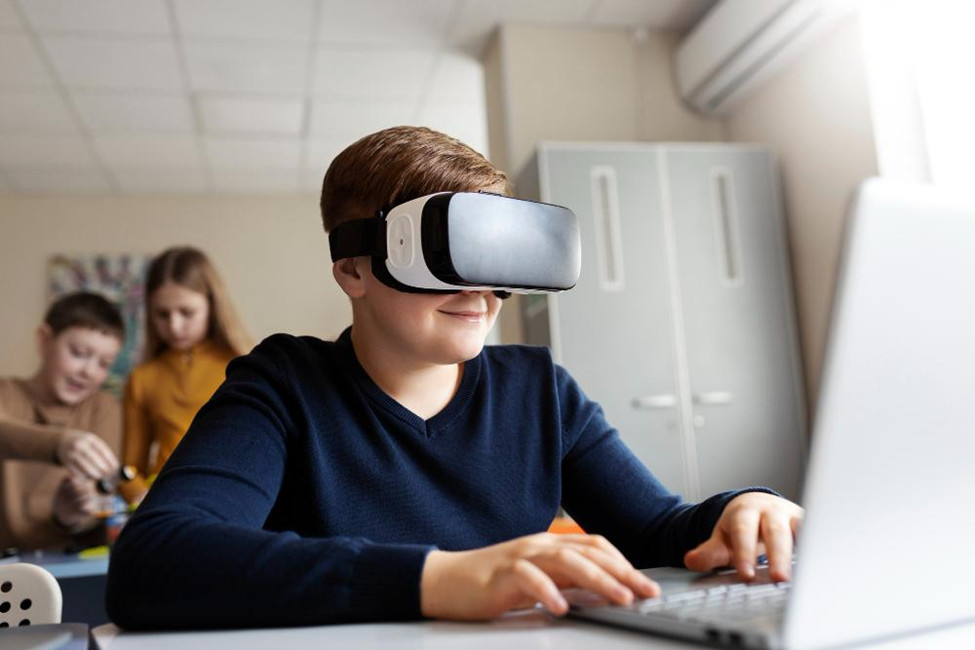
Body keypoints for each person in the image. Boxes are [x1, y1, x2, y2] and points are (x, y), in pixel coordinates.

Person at [106, 126, 803, 629]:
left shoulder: (537, 390)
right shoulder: (283, 386)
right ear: (353, 269)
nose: (478, 288)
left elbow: (657, 530)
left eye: (492, 250)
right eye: (441, 251)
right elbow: (155, 561)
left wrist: (739, 510)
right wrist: (437, 577)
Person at [121, 247, 250, 502]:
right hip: (164, 502)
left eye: (186, 312)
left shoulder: (246, 366)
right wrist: (141, 496)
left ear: (213, 306)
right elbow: (129, 469)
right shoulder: (142, 378)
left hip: (233, 499)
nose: (174, 326)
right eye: (162, 314)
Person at [0, 292, 125, 551]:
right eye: (79, 353)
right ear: (44, 340)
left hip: (69, 565)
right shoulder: (7, 394)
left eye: (104, 364)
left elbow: (100, 502)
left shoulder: (104, 409)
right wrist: (60, 444)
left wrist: (69, 516)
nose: (89, 371)